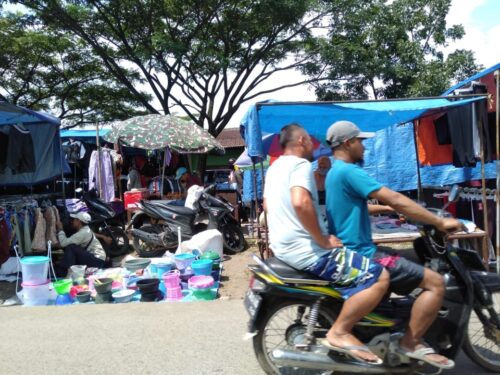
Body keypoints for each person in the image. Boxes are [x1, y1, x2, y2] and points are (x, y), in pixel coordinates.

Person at [324, 120, 463, 370]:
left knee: (409, 257)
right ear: (348, 143)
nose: (364, 148)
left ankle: (393, 326)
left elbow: (356, 205)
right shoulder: (350, 171)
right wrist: (438, 221)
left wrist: (383, 208)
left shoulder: (334, 173)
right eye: (360, 142)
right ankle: (410, 342)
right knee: (435, 282)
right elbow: (397, 198)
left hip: (352, 251)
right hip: (364, 255)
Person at [264, 123, 390, 364]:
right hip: (308, 251)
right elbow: (301, 202)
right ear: (301, 141)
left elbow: (268, 207)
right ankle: (340, 331)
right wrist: (321, 239)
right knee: (379, 275)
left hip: (284, 249)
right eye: (311, 141)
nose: (315, 147)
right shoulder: (300, 164)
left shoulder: (275, 167)